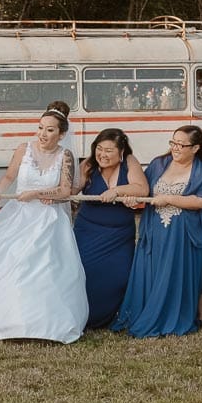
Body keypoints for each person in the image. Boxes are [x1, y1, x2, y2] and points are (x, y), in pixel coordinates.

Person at [0, 102, 89, 343]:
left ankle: (43, 322)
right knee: (4, 261)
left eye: (50, 130)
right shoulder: (23, 149)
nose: (43, 134)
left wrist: (37, 194)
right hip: (19, 214)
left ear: (61, 134)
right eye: (40, 128)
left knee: (45, 267)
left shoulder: (65, 156)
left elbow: (65, 190)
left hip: (49, 219)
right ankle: (2, 318)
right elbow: (9, 176)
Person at [112, 125, 202, 338]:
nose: (176, 148)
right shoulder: (158, 164)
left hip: (183, 235)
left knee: (176, 274)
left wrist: (170, 199)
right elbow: (143, 190)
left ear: (196, 148)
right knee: (152, 272)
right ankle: (144, 313)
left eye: (181, 144)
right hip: (156, 230)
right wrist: (133, 200)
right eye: (173, 142)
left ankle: (173, 316)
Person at [73, 128, 146, 329]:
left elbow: (142, 188)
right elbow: (72, 189)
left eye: (108, 150)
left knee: (119, 276)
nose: (102, 155)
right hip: (88, 232)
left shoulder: (130, 162)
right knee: (85, 274)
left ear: (121, 151)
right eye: (99, 148)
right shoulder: (88, 165)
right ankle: (82, 317)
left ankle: (108, 316)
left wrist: (116, 191)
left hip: (119, 236)